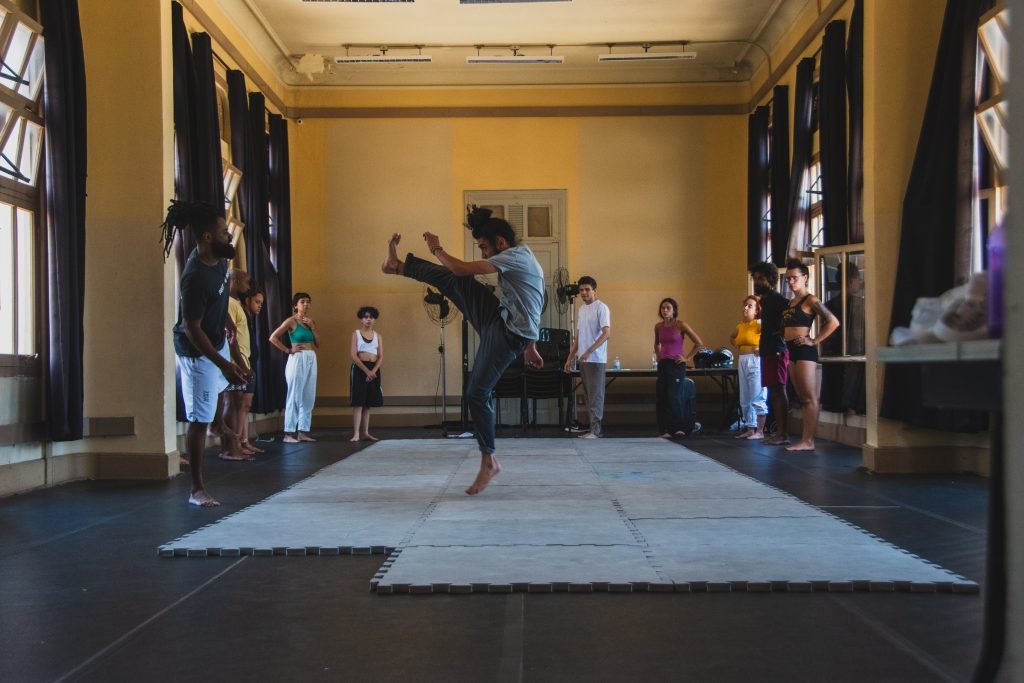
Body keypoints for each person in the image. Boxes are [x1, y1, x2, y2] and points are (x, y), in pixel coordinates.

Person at [381, 206, 544, 495]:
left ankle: (489, 460)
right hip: (501, 319)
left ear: (501, 243)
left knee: (476, 393)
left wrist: (436, 248)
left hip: (508, 335)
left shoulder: (514, 257)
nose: (483, 253)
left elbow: (460, 267)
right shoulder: (524, 256)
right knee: (454, 282)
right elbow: (533, 301)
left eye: (484, 247)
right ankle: (399, 266)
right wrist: (532, 345)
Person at [161, 200, 249, 507]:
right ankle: (196, 489)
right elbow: (191, 328)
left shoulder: (220, 260)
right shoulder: (195, 277)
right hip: (197, 352)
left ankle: (215, 421)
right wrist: (224, 363)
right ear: (208, 237)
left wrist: (228, 326)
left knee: (224, 388)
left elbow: (220, 297)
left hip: (216, 337)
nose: (229, 236)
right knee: (198, 419)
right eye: (224, 232)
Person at [782, 258, 840, 451]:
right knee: (801, 397)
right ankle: (805, 439)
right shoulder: (791, 302)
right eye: (788, 278)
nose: (791, 282)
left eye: (794, 278)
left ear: (805, 277)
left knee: (809, 397)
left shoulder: (811, 300)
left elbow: (833, 322)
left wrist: (814, 340)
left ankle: (808, 441)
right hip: (791, 349)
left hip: (805, 350)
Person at [749, 261, 791, 445]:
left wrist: (784, 331)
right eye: (755, 278)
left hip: (777, 350)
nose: (757, 282)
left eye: (761, 279)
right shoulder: (765, 301)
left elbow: (793, 313)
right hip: (768, 349)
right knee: (773, 391)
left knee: (778, 390)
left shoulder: (776, 298)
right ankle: (779, 433)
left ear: (771, 280)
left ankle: (783, 434)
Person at [564, 277, 611, 439]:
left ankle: (596, 431)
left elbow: (606, 333)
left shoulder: (601, 308)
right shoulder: (582, 309)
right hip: (583, 358)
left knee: (596, 395)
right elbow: (579, 336)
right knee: (588, 395)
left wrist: (589, 351)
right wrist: (570, 357)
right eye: (581, 290)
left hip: (595, 358)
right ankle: (592, 429)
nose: (584, 293)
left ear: (594, 291)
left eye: (587, 290)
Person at [270, 292, 320, 444]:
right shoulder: (291, 321)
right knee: (294, 395)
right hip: (297, 358)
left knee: (308, 395)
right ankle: (289, 433)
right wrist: (287, 350)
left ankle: (302, 431)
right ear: (295, 305)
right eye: (302, 302)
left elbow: (318, 343)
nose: (306, 304)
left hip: (311, 357)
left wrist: (313, 327)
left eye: (308, 302)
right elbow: (273, 338)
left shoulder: (310, 322)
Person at [653, 297, 703, 438]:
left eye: (668, 308)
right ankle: (665, 430)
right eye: (663, 308)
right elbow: (656, 343)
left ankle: (679, 428)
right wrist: (658, 355)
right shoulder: (658, 326)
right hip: (663, 364)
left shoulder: (681, 325)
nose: (665, 310)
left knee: (674, 396)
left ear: (674, 310)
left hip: (676, 365)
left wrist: (687, 358)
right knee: (663, 396)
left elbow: (699, 343)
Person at [219, 268, 254, 461]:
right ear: (234, 281)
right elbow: (230, 336)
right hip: (233, 361)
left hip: (240, 360)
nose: (248, 286)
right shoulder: (229, 303)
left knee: (237, 401)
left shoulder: (236, 303)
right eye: (245, 282)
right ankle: (229, 448)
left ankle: (234, 445)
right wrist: (240, 363)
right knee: (232, 402)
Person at [730, 295, 768, 439]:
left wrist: (761, 347)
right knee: (745, 397)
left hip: (755, 360)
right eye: (745, 305)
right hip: (743, 360)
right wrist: (737, 345)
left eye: (749, 306)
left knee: (757, 395)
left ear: (757, 310)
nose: (745, 308)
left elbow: (771, 335)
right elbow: (732, 337)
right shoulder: (740, 326)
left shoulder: (759, 323)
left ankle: (760, 431)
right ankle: (750, 428)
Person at [237, 286, 265, 455]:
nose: (259, 305)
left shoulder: (249, 318)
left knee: (246, 405)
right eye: (257, 302)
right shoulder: (239, 313)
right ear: (247, 300)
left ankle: (245, 440)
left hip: (251, 364)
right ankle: (237, 442)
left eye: (261, 302)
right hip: (242, 365)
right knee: (239, 405)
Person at [350, 306, 384, 442]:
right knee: (358, 402)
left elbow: (381, 356)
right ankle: (356, 434)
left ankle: (365, 432)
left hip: (373, 369)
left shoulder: (378, 336)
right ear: (361, 319)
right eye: (366, 317)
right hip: (360, 369)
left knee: (368, 404)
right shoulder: (356, 334)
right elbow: (353, 355)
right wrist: (366, 371)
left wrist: (373, 371)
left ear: (374, 320)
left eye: (371, 317)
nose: (369, 319)